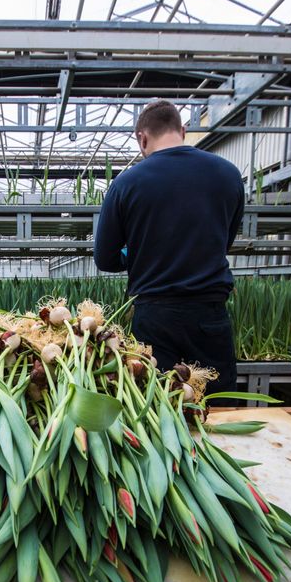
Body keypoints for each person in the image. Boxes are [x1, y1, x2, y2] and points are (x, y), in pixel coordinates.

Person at [93, 99, 244, 397]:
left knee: (154, 407)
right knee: (218, 407)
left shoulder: (127, 183)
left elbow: (106, 258)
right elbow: (223, 241)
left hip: (155, 318)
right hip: (209, 316)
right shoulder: (228, 174)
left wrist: (137, 251)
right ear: (183, 130)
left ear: (142, 137)